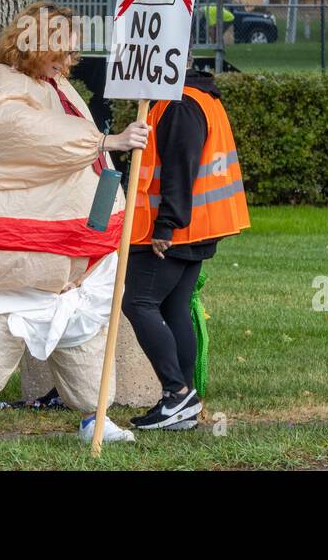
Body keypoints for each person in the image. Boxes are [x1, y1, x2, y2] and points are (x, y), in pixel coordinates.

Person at [0, 1, 151, 454]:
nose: (70, 61)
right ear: (36, 44)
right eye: (64, 51)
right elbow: (23, 135)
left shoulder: (56, 86)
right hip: (18, 250)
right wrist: (105, 140)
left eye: (73, 53)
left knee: (82, 327)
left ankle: (96, 416)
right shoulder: (4, 87)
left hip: (71, 251)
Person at [122, 63, 249, 430]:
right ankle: (185, 399)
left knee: (139, 302)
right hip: (198, 225)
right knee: (173, 305)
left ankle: (177, 393)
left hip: (176, 228)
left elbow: (181, 167)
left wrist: (166, 225)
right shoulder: (200, 97)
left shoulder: (179, 104)